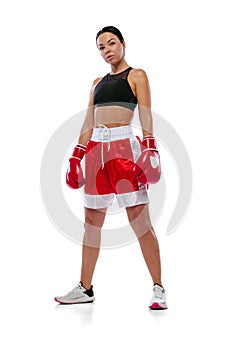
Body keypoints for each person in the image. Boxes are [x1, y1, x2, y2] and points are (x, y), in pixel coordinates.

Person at [54, 26, 167, 310]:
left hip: (125, 149)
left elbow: (145, 113)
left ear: (123, 44)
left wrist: (150, 148)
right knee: (91, 224)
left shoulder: (136, 75)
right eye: (101, 47)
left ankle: (158, 288)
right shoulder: (96, 83)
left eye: (111, 43)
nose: (107, 50)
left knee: (140, 223)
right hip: (95, 152)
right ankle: (85, 288)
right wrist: (76, 156)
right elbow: (88, 122)